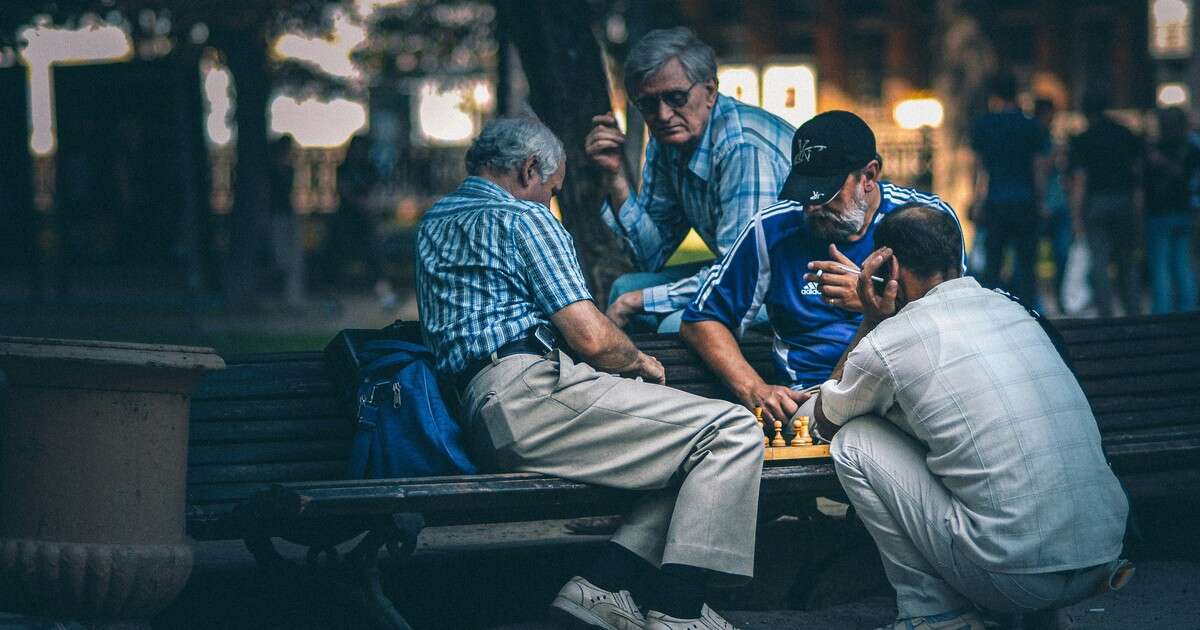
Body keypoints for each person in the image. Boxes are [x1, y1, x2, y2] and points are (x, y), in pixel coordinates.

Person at [416, 116, 763, 630]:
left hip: (480, 411)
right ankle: (679, 612)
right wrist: (641, 363)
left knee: (688, 458)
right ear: (531, 168)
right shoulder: (523, 219)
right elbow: (593, 339)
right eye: (551, 192)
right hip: (530, 393)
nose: (550, 204)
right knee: (732, 430)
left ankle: (601, 588)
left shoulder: (435, 221)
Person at [811, 204, 1131, 630]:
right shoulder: (1016, 310)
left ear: (889, 266)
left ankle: (934, 615)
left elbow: (824, 422)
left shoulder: (892, 339)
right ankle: (1043, 617)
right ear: (955, 255)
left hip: (1013, 577)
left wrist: (871, 320)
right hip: (1106, 552)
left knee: (855, 440)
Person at [679, 110, 964, 427]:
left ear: (868, 176)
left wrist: (875, 300)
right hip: (816, 396)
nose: (811, 207)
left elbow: (958, 318)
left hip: (912, 385)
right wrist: (754, 388)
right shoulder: (771, 229)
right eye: (804, 192)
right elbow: (701, 320)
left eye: (826, 193)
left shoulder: (922, 219)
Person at [587, 27, 793, 333]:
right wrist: (616, 178)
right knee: (624, 287)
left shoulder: (741, 148)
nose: (663, 114)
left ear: (710, 91)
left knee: (673, 324)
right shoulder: (668, 142)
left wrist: (639, 300)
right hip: (749, 275)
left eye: (676, 97)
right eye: (648, 103)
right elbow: (650, 258)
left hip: (794, 288)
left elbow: (740, 274)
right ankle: (632, 382)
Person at [971, 71, 1050, 307]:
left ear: (994, 96)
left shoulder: (984, 125)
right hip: (1025, 201)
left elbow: (978, 169)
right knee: (1027, 265)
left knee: (993, 263)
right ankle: (1026, 311)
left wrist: (977, 201)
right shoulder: (1032, 126)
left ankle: (992, 310)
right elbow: (1038, 169)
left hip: (996, 200)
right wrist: (1041, 201)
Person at [1068, 90, 1144, 317]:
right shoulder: (1124, 133)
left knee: (1099, 261)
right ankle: (1133, 309)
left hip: (1096, 203)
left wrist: (1077, 215)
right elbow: (1137, 173)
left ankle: (1106, 311)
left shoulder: (1083, 139)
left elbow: (1081, 180)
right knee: (1126, 260)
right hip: (1124, 200)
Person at [1143, 107, 1199, 313]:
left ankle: (1162, 311)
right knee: (1183, 263)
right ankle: (1188, 309)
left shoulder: (1154, 149)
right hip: (1184, 210)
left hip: (1159, 212)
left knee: (1161, 266)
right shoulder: (1192, 149)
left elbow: (1145, 184)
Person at [1034, 98, 1073, 312]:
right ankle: (1039, 300)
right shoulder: (1037, 140)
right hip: (1045, 204)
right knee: (1037, 256)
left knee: (1062, 254)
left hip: (1059, 204)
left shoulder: (1051, 138)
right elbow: (1040, 169)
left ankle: (1059, 297)